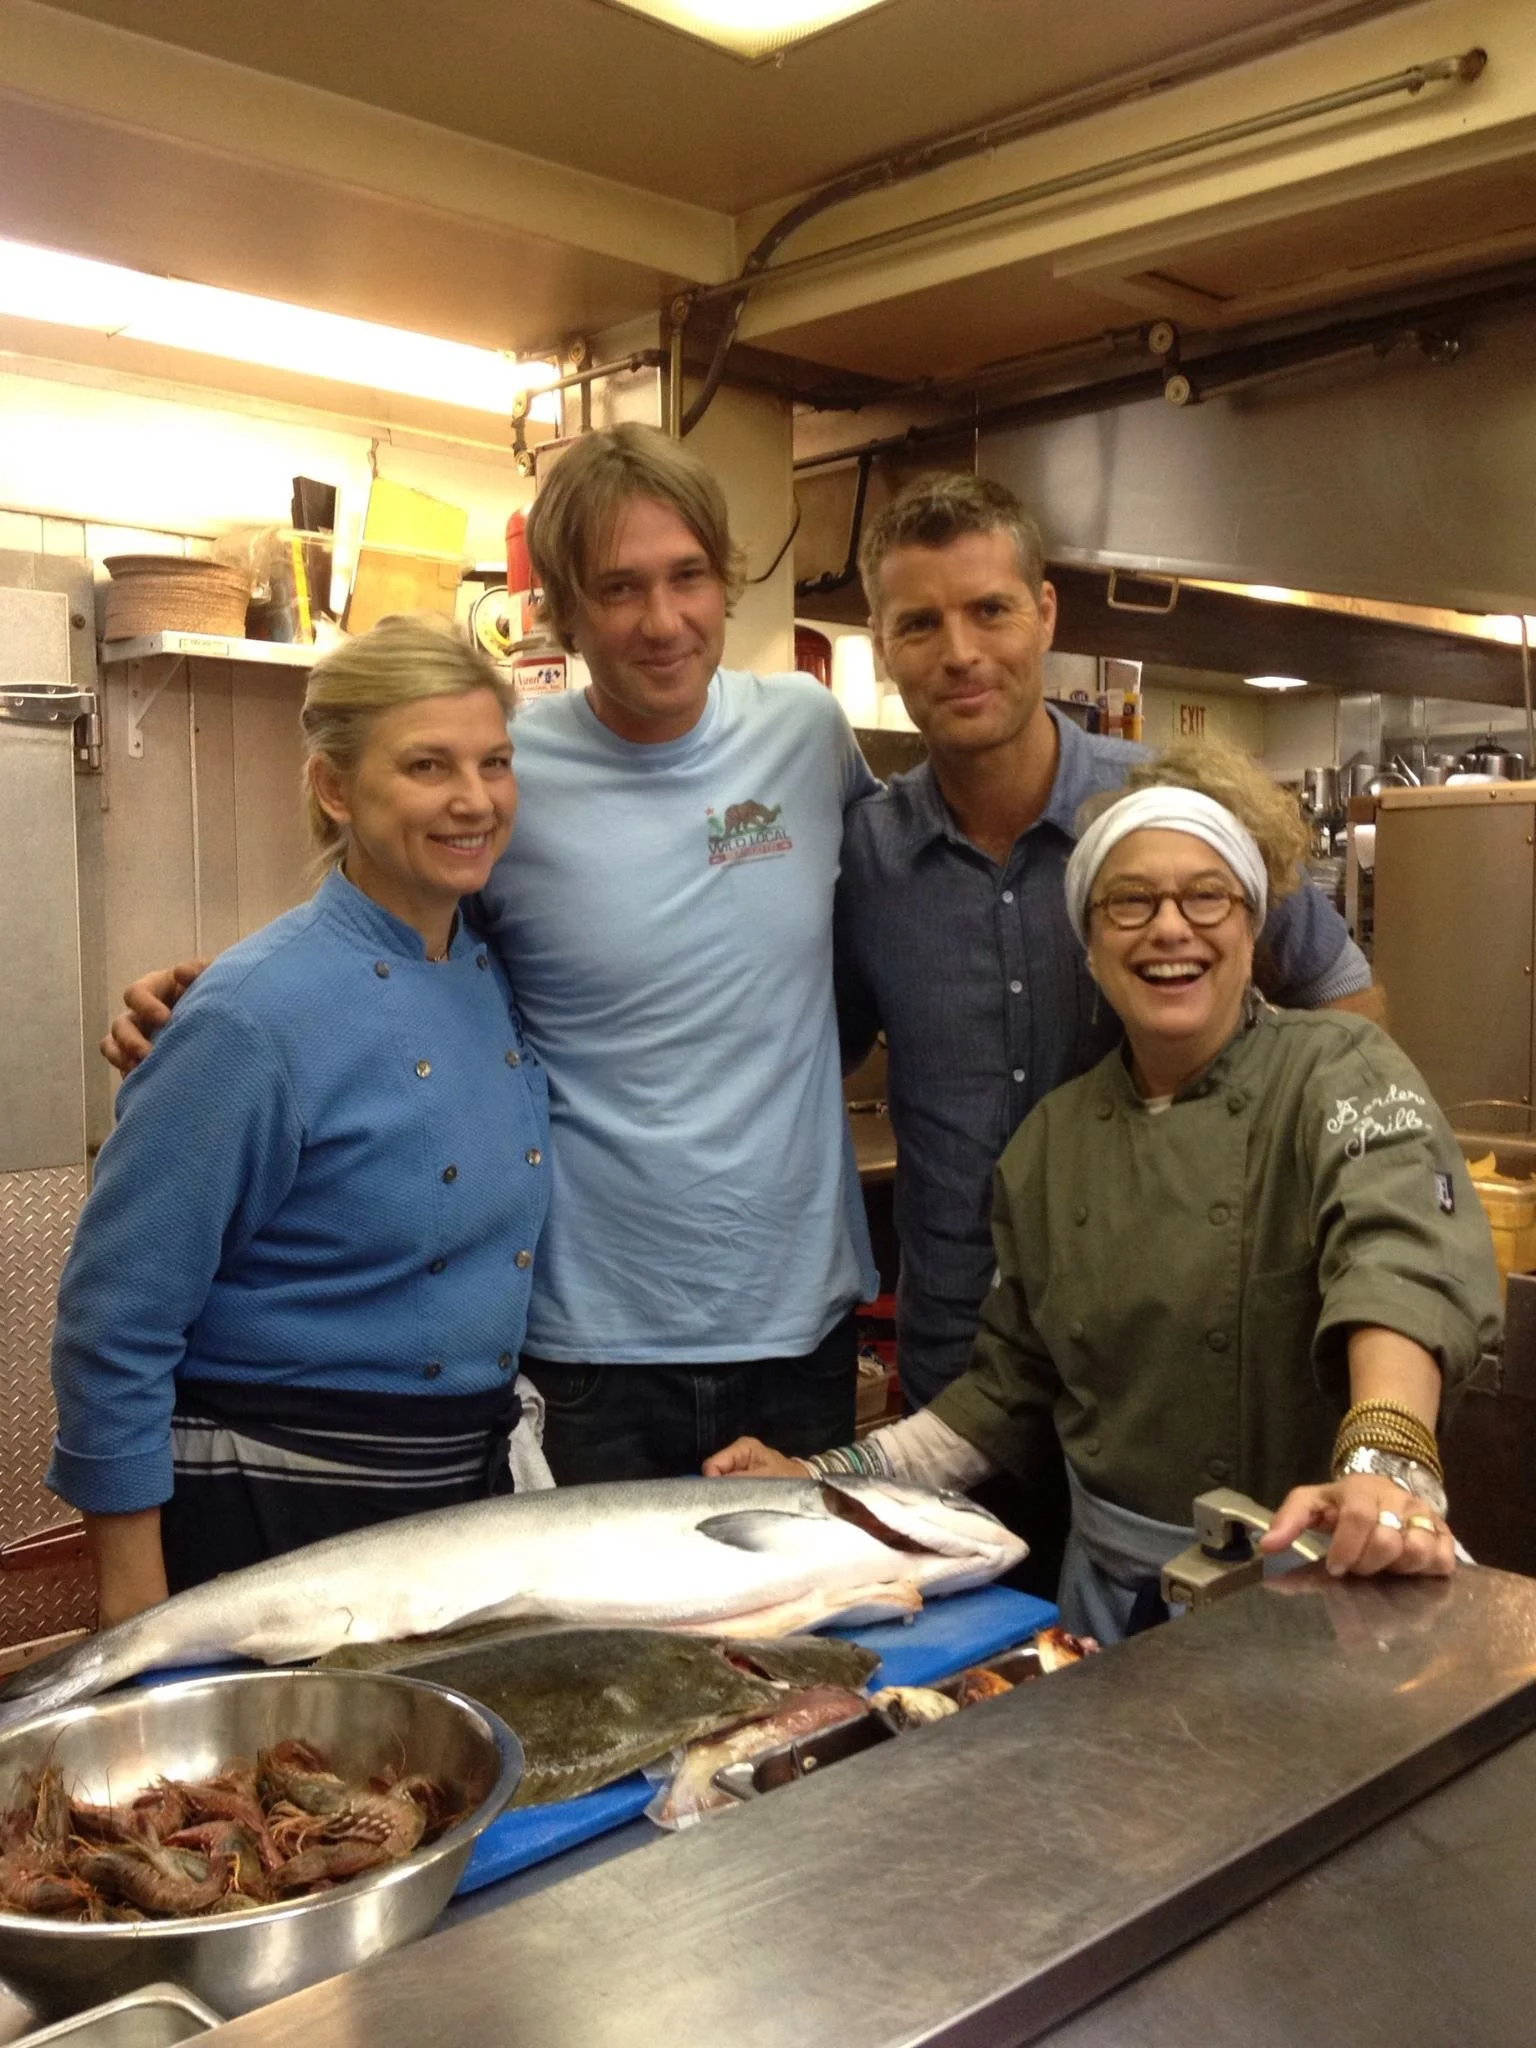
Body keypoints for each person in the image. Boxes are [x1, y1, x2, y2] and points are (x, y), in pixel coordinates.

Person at [103, 425, 880, 1482]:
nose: (663, 620)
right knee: (585, 1647)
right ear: (562, 606)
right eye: (618, 587)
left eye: (687, 575)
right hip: (584, 1344)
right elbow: (398, 937)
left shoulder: (808, 730)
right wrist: (215, 1003)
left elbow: (895, 905)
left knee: (805, 1644)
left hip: (802, 1327)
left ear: (725, 579)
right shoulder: (519, 769)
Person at [707, 741, 1503, 1642]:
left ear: (1251, 927)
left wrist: (1387, 1458)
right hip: (1115, 1606)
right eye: (1131, 901)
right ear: (1089, 942)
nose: (1171, 929)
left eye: (1208, 896)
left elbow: (1401, 1258)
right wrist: (820, 1478)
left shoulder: (1339, 1071)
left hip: (1326, 1584)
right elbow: (1002, 1394)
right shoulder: (1053, 1145)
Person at [839, 472, 1379, 1419]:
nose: (960, 653)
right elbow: (821, 1054)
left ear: (1045, 614)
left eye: (991, 610)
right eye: (919, 624)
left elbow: (1345, 1001)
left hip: (1166, 1378)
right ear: (883, 645)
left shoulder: (1173, 814)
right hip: (958, 1372)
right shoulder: (868, 859)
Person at [53, 615, 550, 1624]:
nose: (473, 798)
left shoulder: (491, 966)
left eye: (493, 762)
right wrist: (139, 1615)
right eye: (427, 764)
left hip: (452, 1491)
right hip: (271, 1504)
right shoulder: (249, 1015)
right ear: (335, 787)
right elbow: (114, 1326)